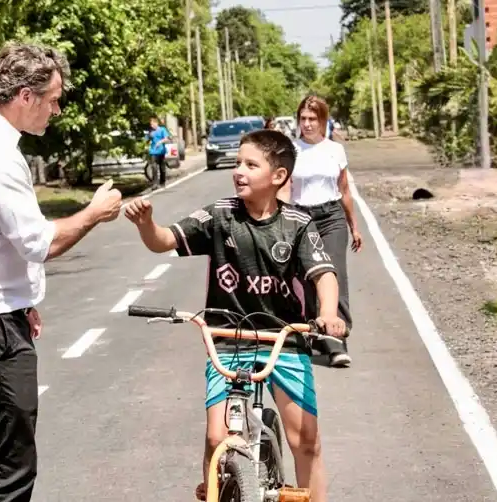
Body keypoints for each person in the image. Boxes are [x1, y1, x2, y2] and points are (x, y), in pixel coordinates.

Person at [0, 41, 122, 501]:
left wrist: (21, 298)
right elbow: (40, 242)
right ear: (24, 96)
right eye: (52, 99)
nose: (56, 110)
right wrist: (94, 212)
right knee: (10, 469)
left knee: (8, 460)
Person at [124, 129, 345, 502]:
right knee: (217, 438)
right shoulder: (220, 215)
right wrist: (146, 223)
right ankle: (215, 488)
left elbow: (324, 275)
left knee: (305, 439)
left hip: (284, 340)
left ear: (278, 176)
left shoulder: (297, 224)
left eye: (250, 164)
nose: (239, 170)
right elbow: (163, 240)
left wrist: (328, 314)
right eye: (238, 163)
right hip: (227, 342)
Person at [279, 95, 362, 368]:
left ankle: (338, 341)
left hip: (332, 217)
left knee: (335, 275)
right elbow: (286, 188)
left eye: (312, 119)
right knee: (308, 280)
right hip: (302, 218)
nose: (307, 124)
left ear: (323, 120)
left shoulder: (335, 150)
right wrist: (280, 220)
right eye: (303, 118)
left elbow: (345, 190)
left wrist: (354, 225)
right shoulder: (292, 150)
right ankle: (315, 333)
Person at [146, 116, 170, 187]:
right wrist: (149, 138)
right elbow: (147, 140)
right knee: (154, 167)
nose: (151, 126)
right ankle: (155, 183)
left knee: (162, 168)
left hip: (161, 151)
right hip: (153, 151)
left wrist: (160, 142)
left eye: (152, 124)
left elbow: (166, 139)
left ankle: (162, 182)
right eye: (151, 124)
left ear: (156, 123)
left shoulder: (162, 130)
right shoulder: (151, 132)